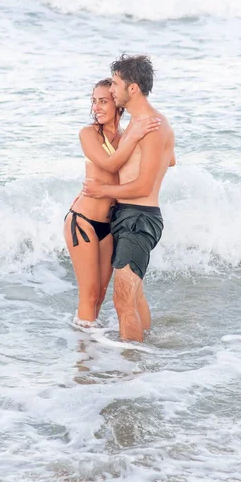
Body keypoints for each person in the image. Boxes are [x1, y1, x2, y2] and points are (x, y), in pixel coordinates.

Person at [82, 55, 175, 342]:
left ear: (132, 89)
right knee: (134, 298)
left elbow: (144, 185)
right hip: (127, 215)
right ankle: (144, 360)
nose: (112, 91)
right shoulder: (145, 123)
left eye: (117, 85)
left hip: (139, 217)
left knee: (122, 300)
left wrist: (104, 191)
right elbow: (170, 160)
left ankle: (130, 372)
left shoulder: (152, 124)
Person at [64, 78, 161, 329]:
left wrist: (144, 137)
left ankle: (99, 351)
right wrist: (135, 135)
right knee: (89, 295)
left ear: (117, 103)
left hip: (110, 225)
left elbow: (167, 160)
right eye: (94, 101)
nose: (96, 107)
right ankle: (84, 359)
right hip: (83, 221)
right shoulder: (88, 133)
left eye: (103, 101)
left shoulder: (127, 135)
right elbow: (109, 165)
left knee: (101, 295)